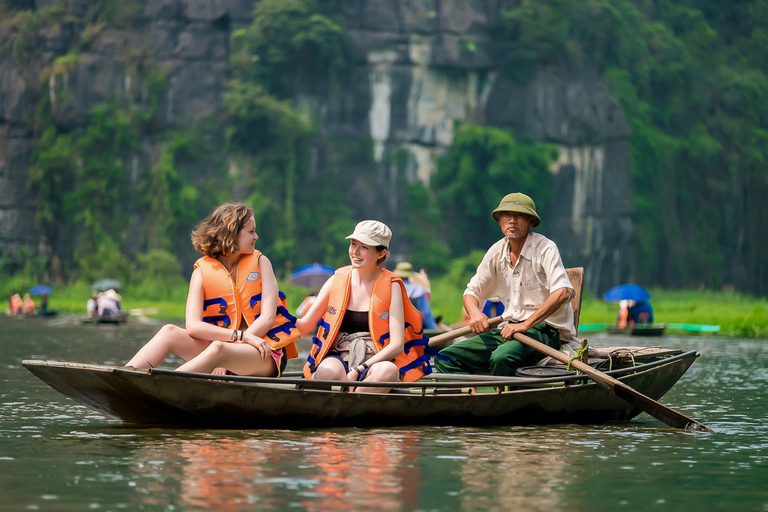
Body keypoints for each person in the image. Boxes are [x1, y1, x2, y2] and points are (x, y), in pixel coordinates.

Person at [126, 203, 300, 377]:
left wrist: (230, 352)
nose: (256, 236)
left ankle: (160, 385)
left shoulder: (262, 263)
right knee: (168, 332)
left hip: (264, 352)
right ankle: (125, 375)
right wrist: (239, 337)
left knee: (219, 348)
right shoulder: (201, 272)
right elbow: (193, 327)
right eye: (251, 232)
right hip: (223, 350)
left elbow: (268, 318)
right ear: (231, 234)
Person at [435, 192, 580, 376]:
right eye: (507, 215)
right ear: (499, 221)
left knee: (502, 358)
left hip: (544, 331)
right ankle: (470, 398)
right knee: (445, 357)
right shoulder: (496, 252)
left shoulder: (545, 248)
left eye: (519, 216)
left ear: (531, 222)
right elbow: (471, 291)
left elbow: (562, 293)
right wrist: (475, 314)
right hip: (508, 329)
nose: (512, 220)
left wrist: (525, 324)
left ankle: (507, 400)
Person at [297, 220, 432, 392]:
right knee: (325, 373)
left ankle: (354, 405)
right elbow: (304, 325)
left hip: (375, 358)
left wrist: (359, 369)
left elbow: (397, 345)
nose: (355, 252)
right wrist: (274, 317)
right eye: (353, 244)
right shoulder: (337, 279)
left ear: (381, 253)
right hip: (340, 353)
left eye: (365, 247)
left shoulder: (392, 286)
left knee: (388, 371)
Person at [393, 261, 437, 330]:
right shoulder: (419, 289)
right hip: (415, 326)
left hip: (395, 326)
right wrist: (432, 328)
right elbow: (426, 312)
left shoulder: (392, 287)